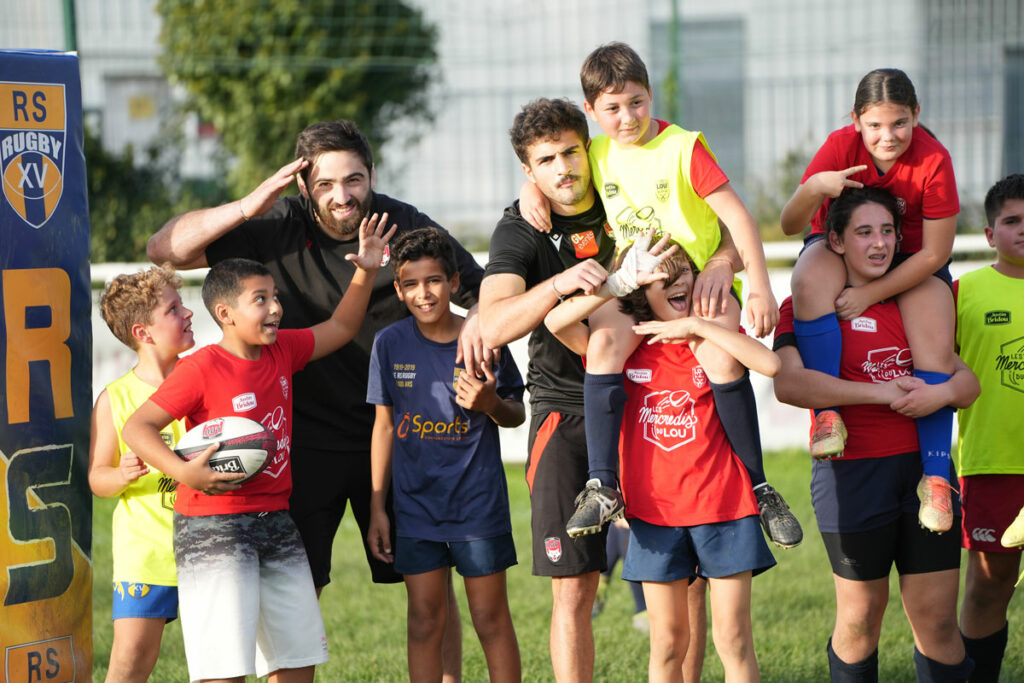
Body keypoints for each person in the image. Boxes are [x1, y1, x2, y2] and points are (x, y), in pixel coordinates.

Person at [146, 120, 473, 675]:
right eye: (325, 184)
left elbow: (482, 287)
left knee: (431, 596)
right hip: (301, 445)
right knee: (294, 604)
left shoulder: (403, 223)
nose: (342, 196)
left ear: (372, 177)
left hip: (397, 435)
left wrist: (473, 337)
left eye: (355, 180)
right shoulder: (271, 223)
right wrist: (249, 204)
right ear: (303, 186)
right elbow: (164, 249)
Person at [519, 41, 798, 549]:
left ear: (650, 95)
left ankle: (759, 487)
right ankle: (603, 484)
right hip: (632, 288)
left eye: (637, 102)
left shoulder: (683, 147)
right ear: (591, 112)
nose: (627, 117)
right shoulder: (594, 153)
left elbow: (738, 218)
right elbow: (553, 174)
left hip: (695, 284)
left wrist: (758, 287)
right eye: (612, 108)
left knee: (721, 356)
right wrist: (530, 191)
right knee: (602, 346)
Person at [122, 214, 392, 683]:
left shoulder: (282, 351)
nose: (275, 309)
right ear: (225, 313)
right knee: (225, 669)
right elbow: (138, 428)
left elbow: (342, 327)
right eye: (260, 299)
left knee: (296, 659)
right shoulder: (201, 368)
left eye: (275, 298)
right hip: (214, 527)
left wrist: (366, 270)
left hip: (278, 519)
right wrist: (184, 472)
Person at [545, 246, 779, 683]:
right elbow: (554, 322)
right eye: (660, 277)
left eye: (683, 272)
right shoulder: (625, 348)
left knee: (734, 641)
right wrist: (616, 284)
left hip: (724, 508)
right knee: (667, 644)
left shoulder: (708, 343)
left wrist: (695, 326)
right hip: (656, 516)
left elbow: (770, 363)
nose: (677, 281)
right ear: (639, 290)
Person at [773, 187, 977, 682]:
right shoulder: (809, 303)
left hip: (926, 476)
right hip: (852, 473)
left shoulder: (924, 296)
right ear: (837, 241)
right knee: (860, 618)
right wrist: (880, 393)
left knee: (937, 623)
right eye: (864, 232)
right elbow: (789, 383)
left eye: (887, 231)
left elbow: (967, 384)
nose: (880, 243)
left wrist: (939, 394)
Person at [478, 97, 624, 682]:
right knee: (574, 590)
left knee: (680, 577)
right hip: (565, 414)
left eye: (570, 151)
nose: (562, 168)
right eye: (546, 160)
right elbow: (492, 324)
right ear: (529, 171)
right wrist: (560, 282)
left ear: (588, 148)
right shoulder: (521, 226)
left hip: (647, 398)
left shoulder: (625, 187)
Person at [780, 69, 960, 532]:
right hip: (842, 245)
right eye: (875, 125)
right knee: (809, 275)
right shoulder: (841, 145)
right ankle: (828, 416)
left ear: (916, 116)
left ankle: (937, 479)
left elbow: (937, 253)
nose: (888, 136)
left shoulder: (934, 158)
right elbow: (788, 224)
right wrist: (814, 188)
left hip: (911, 259)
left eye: (899, 123)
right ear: (857, 119)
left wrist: (869, 295)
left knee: (935, 314)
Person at [366, 228, 525, 682]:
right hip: (415, 509)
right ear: (398, 289)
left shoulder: (485, 340)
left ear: (454, 281)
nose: (423, 293)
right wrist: (379, 507)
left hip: (478, 507)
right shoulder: (389, 344)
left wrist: (491, 404)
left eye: (433, 280)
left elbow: (514, 413)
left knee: (491, 620)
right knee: (423, 620)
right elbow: (383, 426)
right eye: (411, 284)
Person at [89, 266, 194, 682]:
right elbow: (98, 478)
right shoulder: (115, 398)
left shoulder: (205, 374)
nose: (187, 313)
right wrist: (123, 473)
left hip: (211, 544)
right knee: (130, 662)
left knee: (222, 660)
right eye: (173, 309)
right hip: (145, 556)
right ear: (143, 332)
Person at [954, 174, 1024, 683]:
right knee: (988, 585)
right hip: (992, 464)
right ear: (989, 234)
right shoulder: (963, 293)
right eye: (1012, 221)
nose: (1023, 230)